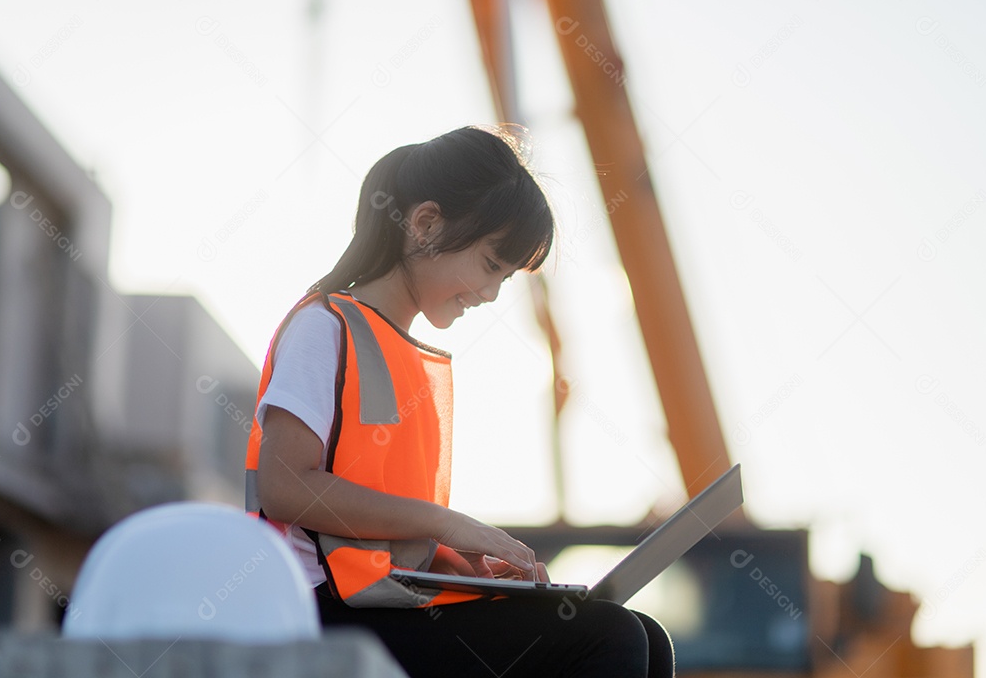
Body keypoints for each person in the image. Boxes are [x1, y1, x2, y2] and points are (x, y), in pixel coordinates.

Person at [245, 125, 675, 677]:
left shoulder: (402, 356)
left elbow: (380, 525)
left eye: (506, 277)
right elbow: (284, 487)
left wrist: (455, 563)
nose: (491, 293)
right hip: (320, 613)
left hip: (385, 603)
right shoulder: (324, 327)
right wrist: (446, 524)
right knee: (609, 635)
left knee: (647, 636)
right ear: (425, 224)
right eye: (492, 265)